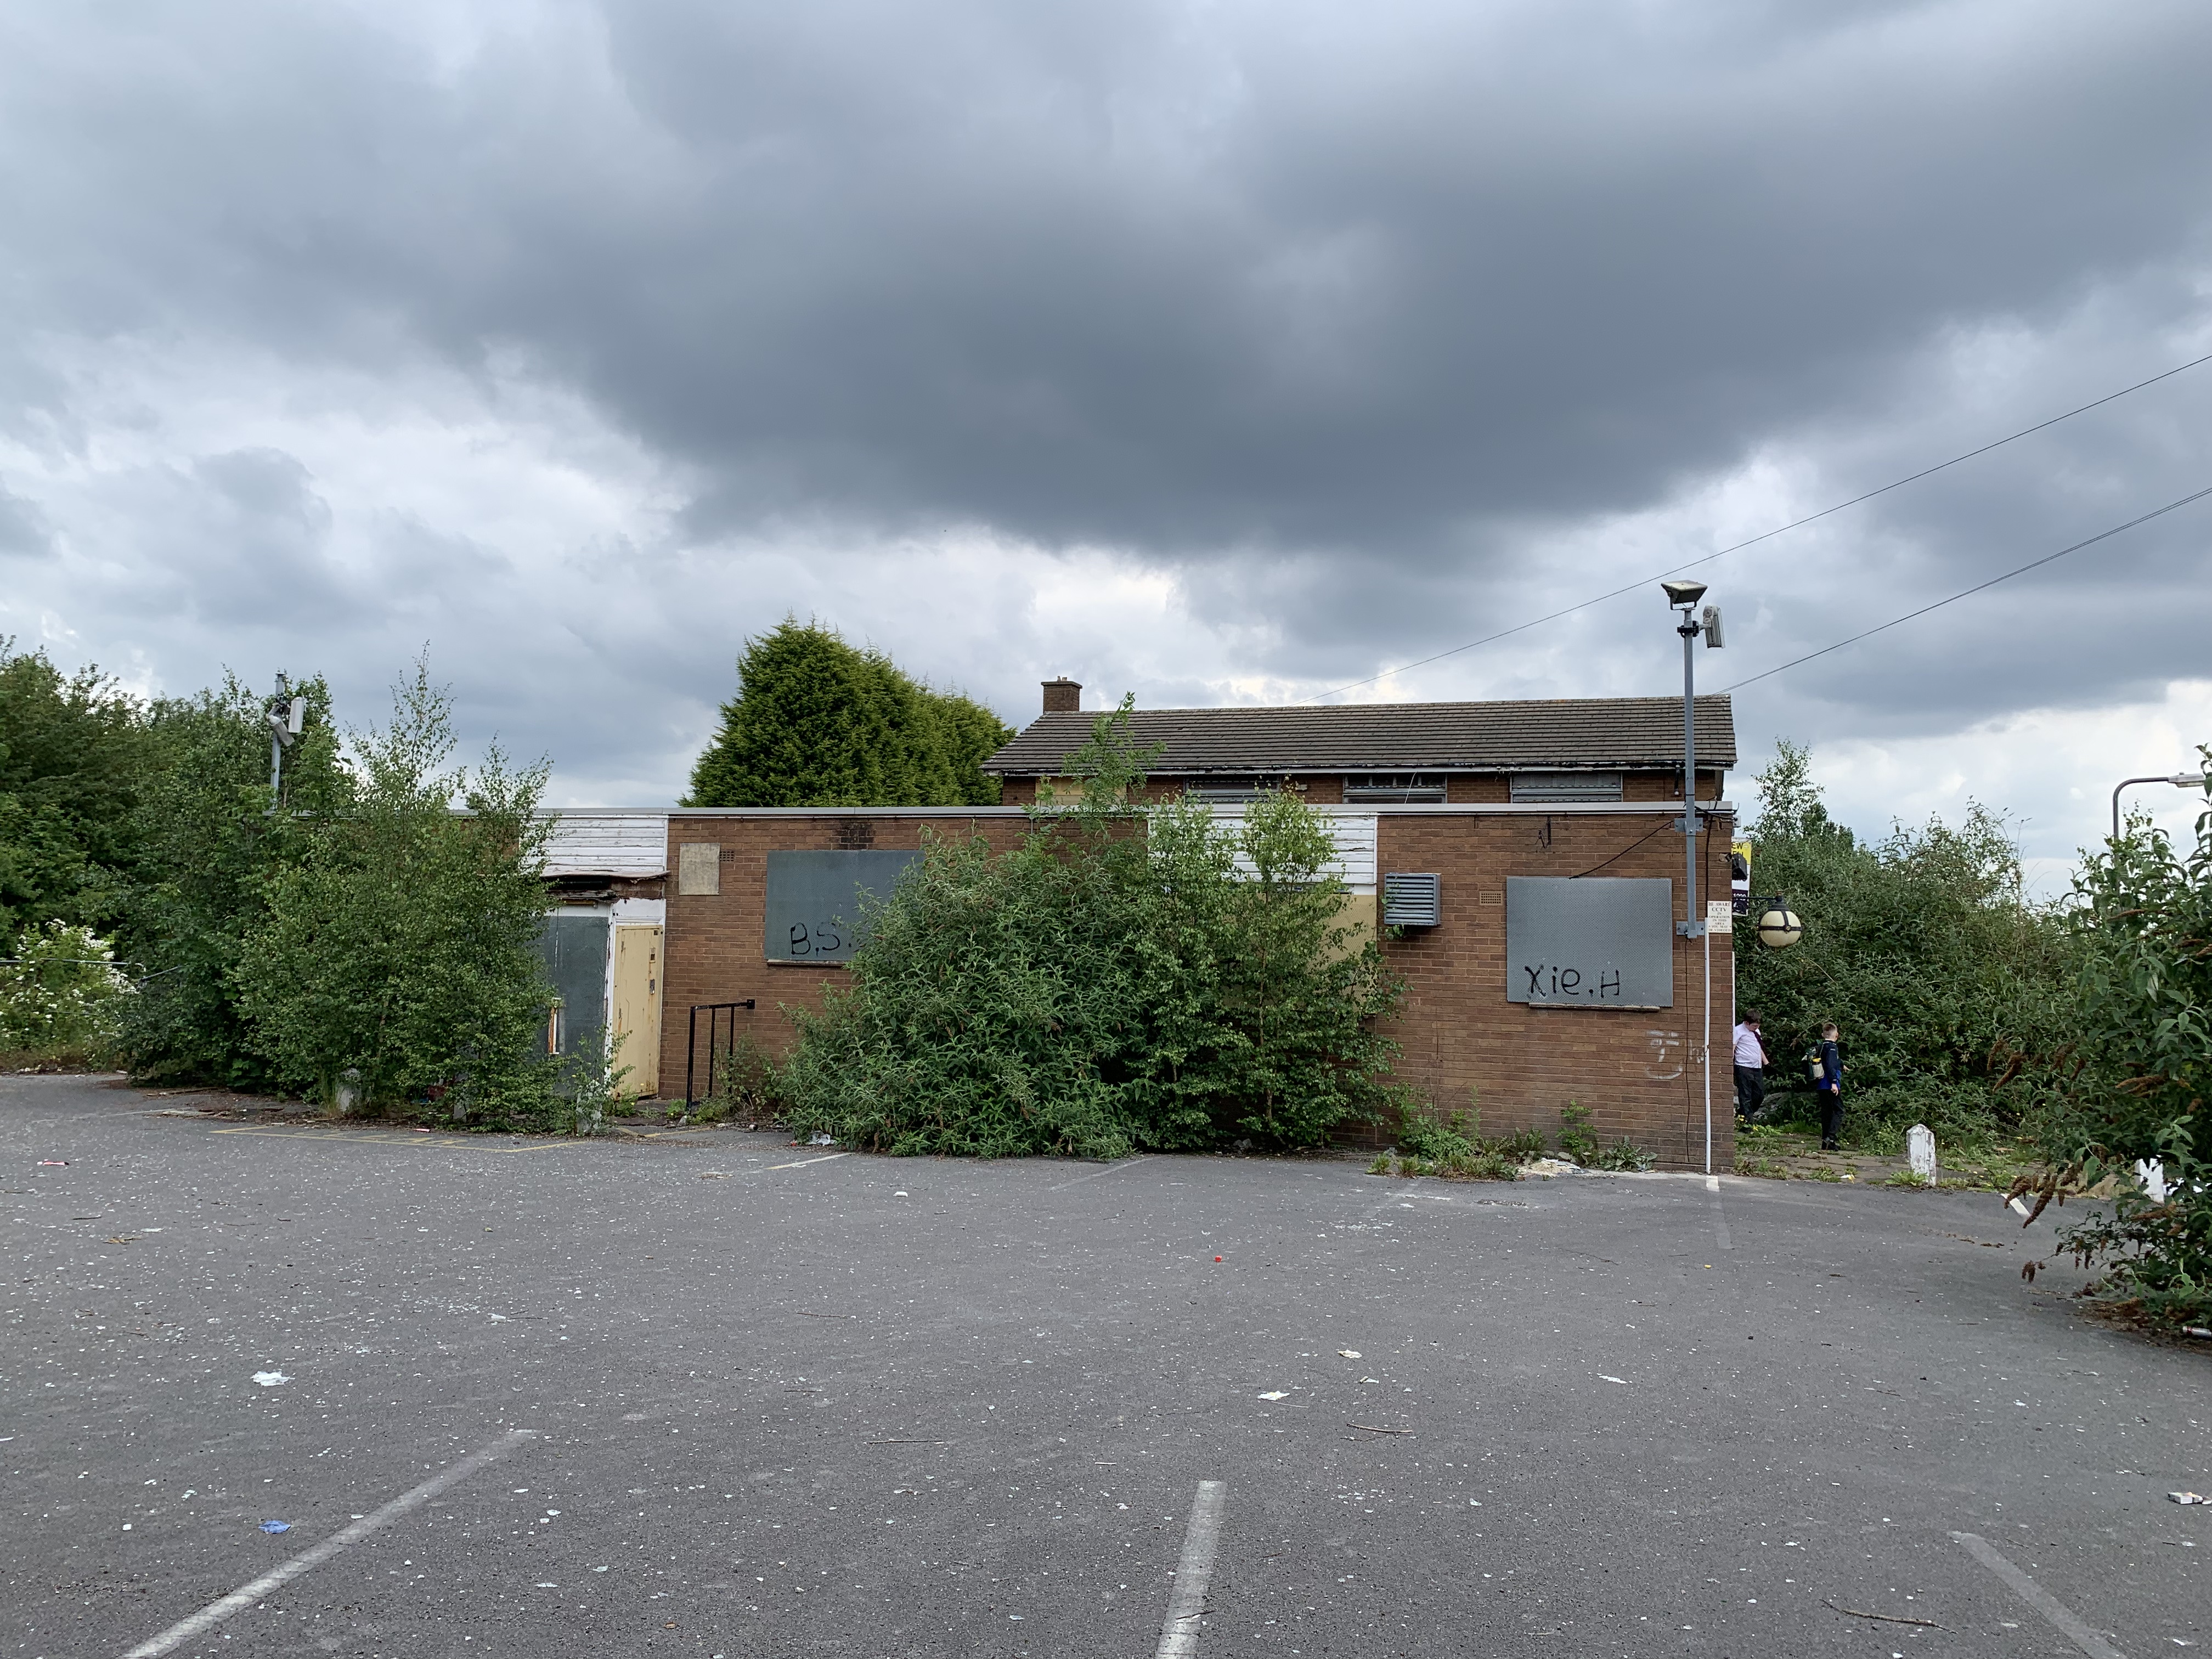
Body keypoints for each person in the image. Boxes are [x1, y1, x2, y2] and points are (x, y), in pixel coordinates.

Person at [1812, 1022, 1846, 1149]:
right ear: (1837, 1035)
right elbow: (1831, 1065)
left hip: (1821, 1084)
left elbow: (1832, 1061)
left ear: (1823, 1035)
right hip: (1830, 1083)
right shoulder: (1832, 1047)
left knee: (1827, 1112)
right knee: (1839, 1110)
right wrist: (1834, 1083)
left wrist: (1842, 1065)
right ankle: (1830, 1137)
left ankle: (1825, 1142)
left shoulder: (1821, 1047)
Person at [1731, 1011, 1768, 1121]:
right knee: (1746, 1094)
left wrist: (1766, 1061)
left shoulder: (1757, 1032)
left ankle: (1742, 1114)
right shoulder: (1738, 1031)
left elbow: (1758, 1047)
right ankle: (1748, 1122)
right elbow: (1733, 1047)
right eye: (1755, 1026)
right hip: (1743, 1066)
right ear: (1747, 1023)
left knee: (1759, 1094)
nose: (1757, 1028)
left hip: (1757, 1066)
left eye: (1758, 1026)